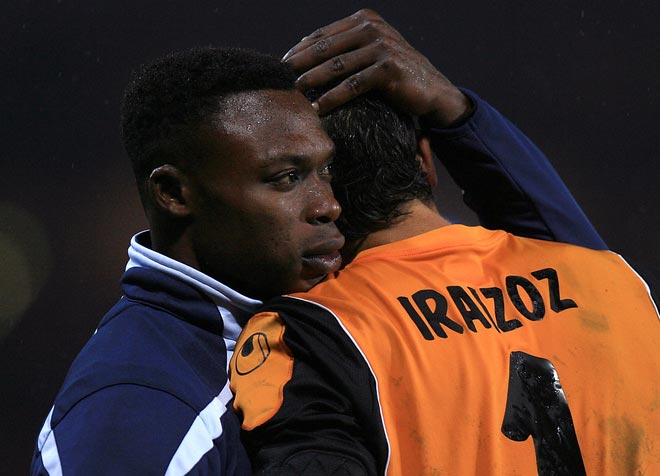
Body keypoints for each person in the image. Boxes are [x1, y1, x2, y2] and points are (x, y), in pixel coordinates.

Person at [32, 13, 603, 476]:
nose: (329, 204)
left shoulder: (320, 314)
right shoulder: (137, 407)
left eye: (325, 171)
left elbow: (586, 290)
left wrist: (458, 117)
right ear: (175, 194)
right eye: (286, 178)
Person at [229, 10, 660, 476]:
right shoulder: (615, 281)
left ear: (318, 196)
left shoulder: (308, 333)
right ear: (426, 161)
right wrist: (460, 117)